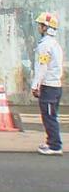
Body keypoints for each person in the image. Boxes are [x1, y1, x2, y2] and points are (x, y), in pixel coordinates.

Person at [32, 12, 63, 156]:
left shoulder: (45, 46)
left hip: (49, 86)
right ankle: (51, 141)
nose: (39, 27)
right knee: (50, 116)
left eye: (41, 25)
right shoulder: (54, 44)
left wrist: (35, 85)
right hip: (55, 86)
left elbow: (42, 66)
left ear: (46, 27)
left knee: (49, 117)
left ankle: (55, 146)